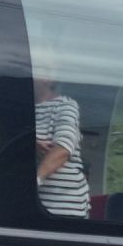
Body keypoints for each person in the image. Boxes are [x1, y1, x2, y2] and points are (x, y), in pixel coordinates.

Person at [33, 71, 89, 218]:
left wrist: (35, 180)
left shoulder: (66, 106)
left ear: (46, 77)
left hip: (63, 206)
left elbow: (63, 149)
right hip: (32, 205)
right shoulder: (18, 110)